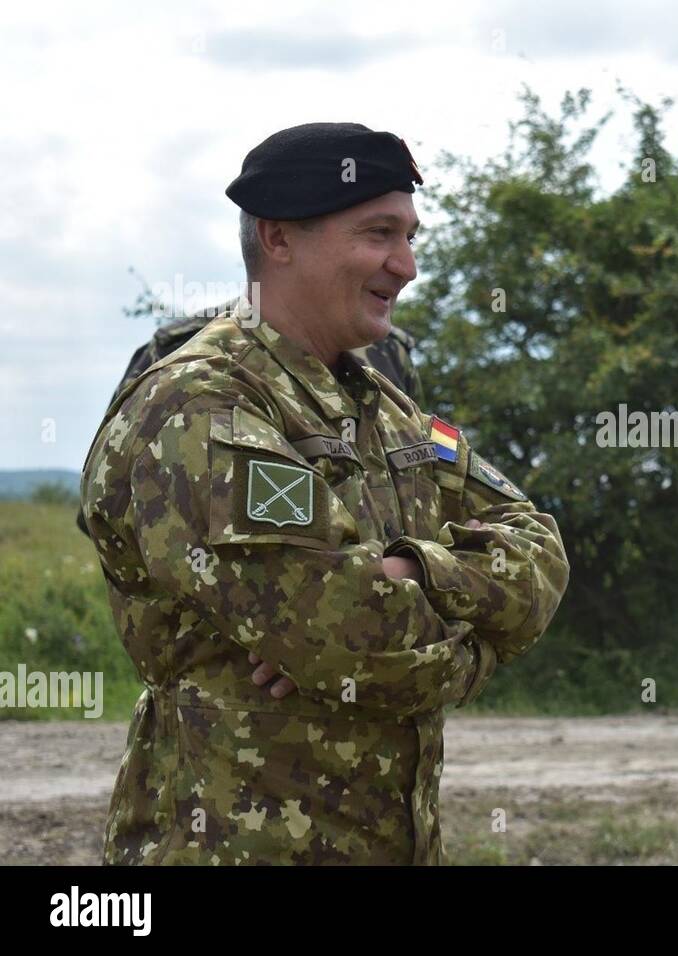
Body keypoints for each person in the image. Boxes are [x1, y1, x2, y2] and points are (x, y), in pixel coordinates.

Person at [81, 122, 569, 864]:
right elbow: (362, 641)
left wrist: (414, 574)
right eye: (379, 234)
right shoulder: (198, 409)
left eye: (410, 237)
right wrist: (479, 632)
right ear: (278, 239)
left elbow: (540, 550)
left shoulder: (389, 409)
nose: (404, 265)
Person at [74, 308, 424, 538]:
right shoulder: (182, 349)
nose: (406, 266)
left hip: (397, 620)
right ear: (275, 237)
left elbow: (421, 485)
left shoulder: (388, 351)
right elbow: (108, 507)